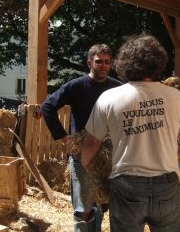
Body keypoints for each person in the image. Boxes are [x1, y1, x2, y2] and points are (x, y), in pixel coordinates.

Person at [81, 34, 180, 232]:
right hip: (166, 184)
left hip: (127, 185)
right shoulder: (176, 97)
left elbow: (92, 143)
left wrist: (86, 164)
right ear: (158, 63)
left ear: (124, 63)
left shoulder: (109, 98)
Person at [41, 44, 122, 232]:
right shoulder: (76, 86)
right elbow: (47, 107)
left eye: (107, 62)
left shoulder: (117, 87)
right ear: (89, 63)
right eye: (99, 61)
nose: (103, 65)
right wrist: (63, 137)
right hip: (82, 152)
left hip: (108, 153)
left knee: (102, 201)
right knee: (83, 206)